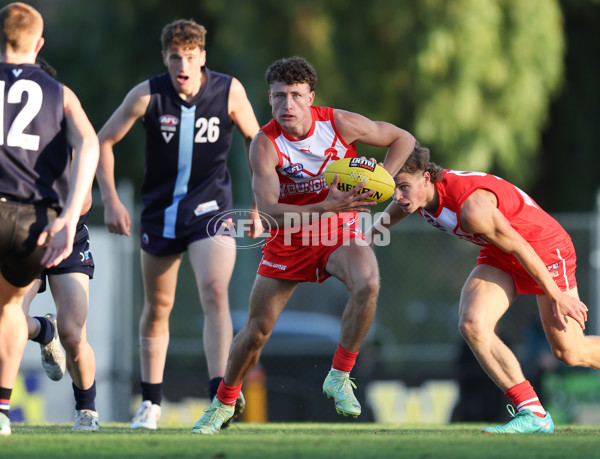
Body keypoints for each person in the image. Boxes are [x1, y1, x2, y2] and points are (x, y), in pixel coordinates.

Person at [191, 56, 416, 434]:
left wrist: (380, 179)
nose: (287, 105)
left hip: (338, 229)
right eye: (279, 97)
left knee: (368, 283)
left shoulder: (338, 123)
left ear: (311, 97)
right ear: (270, 98)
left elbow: (402, 138)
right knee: (256, 332)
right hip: (289, 236)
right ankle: (224, 402)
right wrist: (327, 203)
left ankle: (340, 375)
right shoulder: (264, 144)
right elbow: (269, 214)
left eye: (296, 95)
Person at [96, 19, 261, 430]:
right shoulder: (149, 94)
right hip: (160, 214)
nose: (182, 66)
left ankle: (218, 398)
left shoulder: (228, 91)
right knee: (158, 307)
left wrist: (261, 207)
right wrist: (112, 200)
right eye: (175, 58)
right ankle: (150, 404)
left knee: (215, 290)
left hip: (211, 210)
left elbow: (257, 143)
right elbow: (103, 140)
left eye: (190, 57)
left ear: (203, 57)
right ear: (165, 59)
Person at [367, 143, 599, 434]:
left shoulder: (471, 209)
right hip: (500, 253)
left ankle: (535, 410)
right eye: (393, 189)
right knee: (472, 323)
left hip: (542, 249)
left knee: (571, 352)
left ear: (426, 177)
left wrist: (556, 295)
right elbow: (399, 205)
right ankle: (533, 413)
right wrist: (371, 234)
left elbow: (518, 244)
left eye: (403, 187)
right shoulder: (419, 196)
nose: (398, 197)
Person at [0, 2, 99, 436]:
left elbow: (88, 193)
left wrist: (71, 211)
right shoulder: (51, 105)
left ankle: (87, 410)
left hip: (63, 229)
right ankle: (43, 331)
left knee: (75, 335)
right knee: (10, 318)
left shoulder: (61, 110)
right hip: (32, 224)